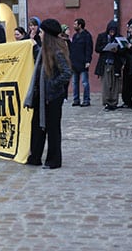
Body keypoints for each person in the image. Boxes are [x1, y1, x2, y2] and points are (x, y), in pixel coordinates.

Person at [24, 18, 72, 169]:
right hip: (41, 96)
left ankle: (54, 161)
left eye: (42, 32)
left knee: (52, 129)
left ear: (48, 34)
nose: (40, 34)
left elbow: (66, 73)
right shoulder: (43, 51)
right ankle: (35, 157)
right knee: (37, 127)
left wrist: (52, 86)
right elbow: (36, 53)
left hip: (52, 97)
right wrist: (30, 42)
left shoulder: (57, 51)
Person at [94, 20, 126, 111]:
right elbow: (97, 49)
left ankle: (114, 102)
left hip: (115, 63)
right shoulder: (102, 36)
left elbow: (124, 50)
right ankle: (107, 102)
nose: (112, 32)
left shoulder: (119, 38)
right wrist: (106, 47)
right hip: (105, 63)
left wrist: (117, 50)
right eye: (111, 30)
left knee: (115, 84)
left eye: (114, 30)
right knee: (106, 84)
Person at [70, 18, 93, 107]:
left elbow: (89, 49)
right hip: (75, 62)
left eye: (75, 24)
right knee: (75, 83)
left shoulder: (87, 36)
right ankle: (76, 99)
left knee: (84, 82)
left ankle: (86, 100)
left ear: (80, 25)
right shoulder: (75, 36)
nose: (74, 26)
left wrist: (88, 61)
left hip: (83, 62)